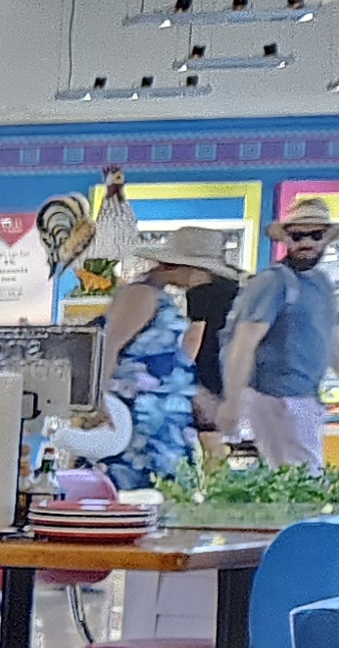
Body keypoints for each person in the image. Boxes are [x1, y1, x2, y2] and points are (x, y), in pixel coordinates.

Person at [98, 233, 219, 490]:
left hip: (159, 420)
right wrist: (100, 403)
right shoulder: (141, 295)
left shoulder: (157, 296)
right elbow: (108, 347)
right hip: (139, 419)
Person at [225, 208, 335, 464]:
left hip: (306, 398)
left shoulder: (321, 283)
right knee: (302, 477)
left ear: (326, 238)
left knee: (303, 476)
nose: (306, 243)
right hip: (276, 400)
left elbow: (330, 340)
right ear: (285, 238)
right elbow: (244, 343)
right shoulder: (273, 282)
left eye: (315, 235)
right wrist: (232, 401)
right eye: (297, 236)